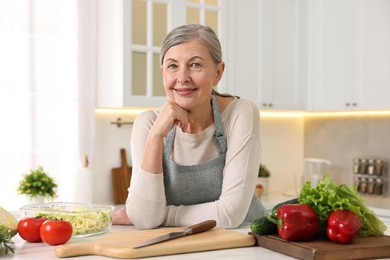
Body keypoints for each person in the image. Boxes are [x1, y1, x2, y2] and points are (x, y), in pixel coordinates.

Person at [112, 24, 266, 229]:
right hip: (178, 248)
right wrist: (156, 136)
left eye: (195, 65)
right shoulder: (148, 123)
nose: (182, 78)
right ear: (162, 72)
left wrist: (162, 215)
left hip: (244, 244)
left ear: (218, 73)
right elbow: (144, 220)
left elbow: (230, 215)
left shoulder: (240, 113)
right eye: (172, 66)